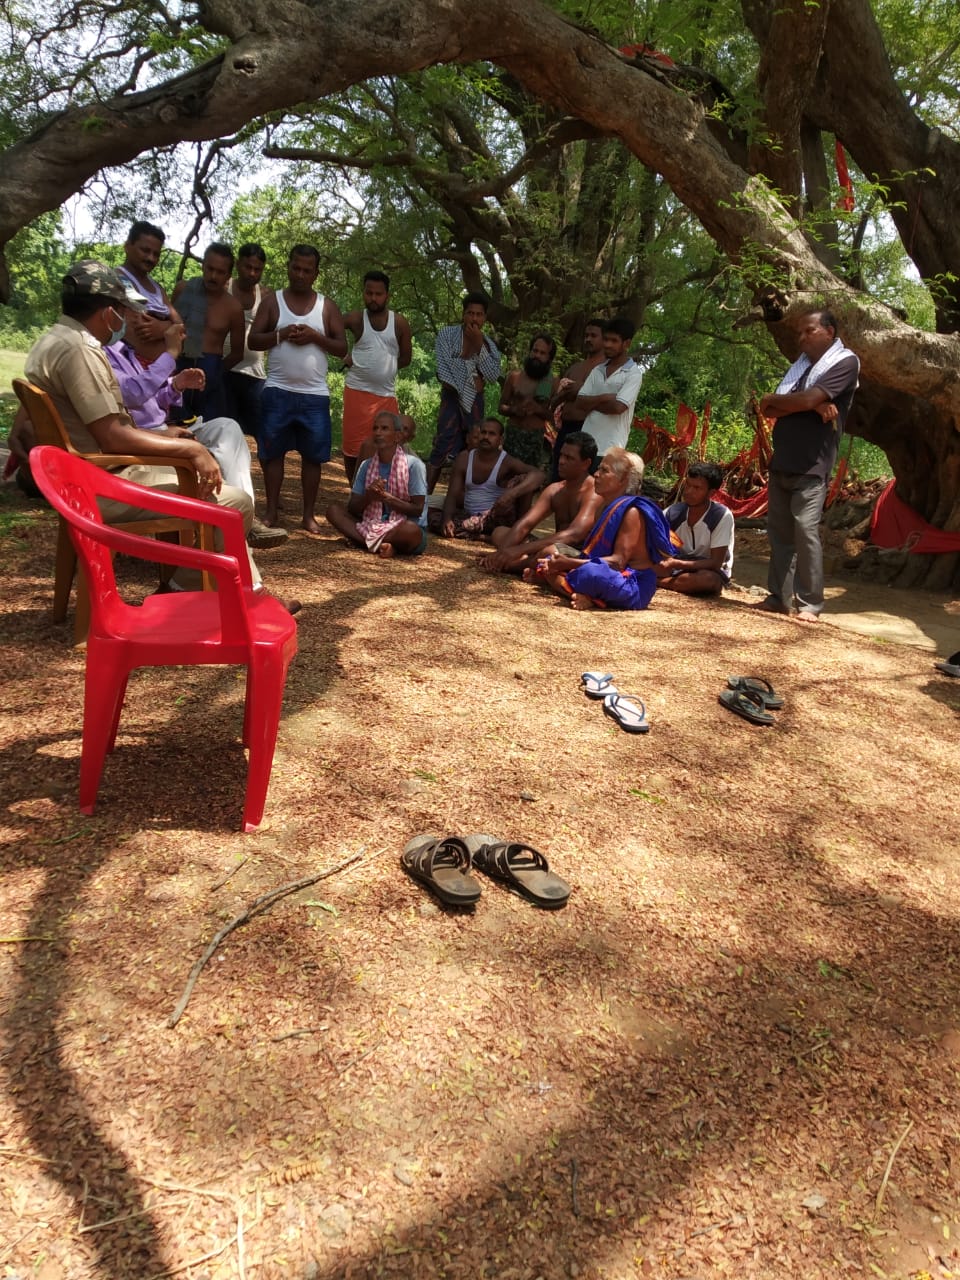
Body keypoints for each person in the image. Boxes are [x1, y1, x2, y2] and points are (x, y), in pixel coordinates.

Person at [23, 260, 296, 609]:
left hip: (82, 477)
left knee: (213, 477)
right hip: (102, 485)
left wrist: (169, 437)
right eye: (122, 310)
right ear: (109, 312)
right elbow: (112, 437)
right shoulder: (80, 350)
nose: (125, 319)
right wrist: (190, 452)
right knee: (234, 504)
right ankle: (188, 594)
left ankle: (214, 591)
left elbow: (104, 427)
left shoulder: (53, 341)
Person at [103, 310, 286, 549]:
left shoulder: (131, 355)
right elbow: (132, 394)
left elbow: (151, 400)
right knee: (204, 453)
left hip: (165, 430)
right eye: (137, 314)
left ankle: (245, 517)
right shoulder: (105, 356)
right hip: (145, 442)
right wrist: (170, 354)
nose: (142, 320)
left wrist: (175, 386)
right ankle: (233, 521)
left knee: (227, 428)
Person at [758, 308, 860, 621]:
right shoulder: (800, 367)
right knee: (779, 532)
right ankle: (778, 597)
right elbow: (768, 408)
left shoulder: (844, 362)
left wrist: (801, 402)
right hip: (783, 460)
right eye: (800, 333)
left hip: (813, 464)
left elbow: (787, 402)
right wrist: (811, 405)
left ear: (830, 331)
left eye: (809, 331)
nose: (801, 339)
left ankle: (810, 604)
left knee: (805, 531)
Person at [248, 244, 347, 534]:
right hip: (277, 389)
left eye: (307, 270)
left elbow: (342, 347)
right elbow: (254, 341)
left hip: (315, 394)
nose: (301, 274)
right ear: (288, 266)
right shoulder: (272, 302)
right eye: (296, 268)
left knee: (313, 456)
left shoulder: (326, 306)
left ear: (316, 273)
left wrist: (316, 336)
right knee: (272, 453)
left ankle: (308, 516)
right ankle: (271, 512)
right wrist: (281, 334)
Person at [532, 448, 673, 610]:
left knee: (590, 573)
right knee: (549, 553)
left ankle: (573, 590)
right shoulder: (604, 506)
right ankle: (575, 587)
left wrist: (569, 563)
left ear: (623, 479)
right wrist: (563, 561)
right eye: (599, 468)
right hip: (606, 570)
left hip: (631, 583)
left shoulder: (631, 512)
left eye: (604, 470)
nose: (596, 474)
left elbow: (618, 562)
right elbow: (593, 553)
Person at [478, 431, 602, 576]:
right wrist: (502, 553)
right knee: (500, 532)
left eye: (569, 458)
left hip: (578, 556)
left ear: (586, 463)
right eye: (561, 455)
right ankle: (517, 562)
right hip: (553, 547)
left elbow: (574, 534)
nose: (561, 461)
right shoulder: (555, 490)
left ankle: (513, 565)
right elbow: (525, 524)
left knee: (549, 552)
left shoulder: (594, 492)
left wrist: (516, 551)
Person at [341, 271, 413, 483]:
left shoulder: (399, 323)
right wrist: (344, 354)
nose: (373, 298)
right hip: (356, 392)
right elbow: (329, 329)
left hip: (385, 396)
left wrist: (386, 367)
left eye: (378, 294)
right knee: (352, 449)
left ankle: (382, 496)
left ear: (387, 296)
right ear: (363, 292)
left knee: (388, 447)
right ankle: (354, 494)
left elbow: (406, 358)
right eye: (369, 293)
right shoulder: (355, 318)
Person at [427, 291, 501, 492]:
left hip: (475, 402)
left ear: (484, 318)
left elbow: (493, 375)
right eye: (470, 313)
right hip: (450, 398)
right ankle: (422, 499)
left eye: (479, 314)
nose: (474, 318)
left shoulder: (488, 344)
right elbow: (442, 369)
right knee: (442, 445)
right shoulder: (447, 334)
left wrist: (478, 346)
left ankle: (464, 500)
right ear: (463, 314)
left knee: (474, 446)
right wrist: (470, 377)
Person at [326, 411, 428, 557]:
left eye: (384, 428)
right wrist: (369, 496)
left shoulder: (414, 465)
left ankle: (363, 541)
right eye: (375, 428)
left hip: (402, 528)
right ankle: (387, 546)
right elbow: (353, 507)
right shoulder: (366, 466)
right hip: (371, 524)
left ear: (397, 436)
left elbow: (417, 510)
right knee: (333, 511)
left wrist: (386, 498)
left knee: (411, 531)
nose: (378, 433)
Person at [433, 416, 544, 539]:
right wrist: (447, 519)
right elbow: (452, 495)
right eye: (483, 432)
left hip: (496, 517)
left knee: (524, 479)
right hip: (469, 516)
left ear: (500, 440)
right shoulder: (464, 458)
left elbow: (539, 475)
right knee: (434, 518)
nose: (486, 437)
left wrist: (511, 494)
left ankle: (518, 532)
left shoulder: (506, 461)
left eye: (492, 434)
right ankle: (484, 535)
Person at [170, 242, 245, 422]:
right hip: (179, 363)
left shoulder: (233, 308)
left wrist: (215, 371)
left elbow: (237, 353)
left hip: (211, 370)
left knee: (210, 428)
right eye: (210, 268)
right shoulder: (184, 290)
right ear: (203, 266)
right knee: (173, 423)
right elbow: (168, 326)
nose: (213, 276)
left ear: (228, 275)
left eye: (220, 272)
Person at [658, 461, 735, 595]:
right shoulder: (673, 512)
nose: (688, 491)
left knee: (708, 581)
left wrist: (676, 563)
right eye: (687, 485)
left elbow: (716, 563)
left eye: (697, 488)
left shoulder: (721, 516)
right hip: (677, 565)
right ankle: (677, 582)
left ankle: (659, 582)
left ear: (711, 493)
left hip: (708, 570)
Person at [574, 317, 644, 457]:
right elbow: (579, 403)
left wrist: (591, 403)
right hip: (585, 445)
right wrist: (604, 398)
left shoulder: (633, 373)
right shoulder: (597, 370)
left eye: (613, 341)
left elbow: (618, 408)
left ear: (627, 343)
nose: (607, 345)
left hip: (610, 449)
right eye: (606, 339)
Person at [548, 319, 605, 479]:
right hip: (566, 429)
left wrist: (581, 390)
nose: (588, 339)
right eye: (586, 335)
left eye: (594, 335)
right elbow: (553, 401)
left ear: (604, 339)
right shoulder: (575, 368)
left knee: (581, 481)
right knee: (558, 477)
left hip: (589, 430)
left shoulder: (606, 370)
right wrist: (565, 393)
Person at [116, 220, 180, 360]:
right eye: (145, 250)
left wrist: (161, 327)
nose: (151, 258)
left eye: (156, 254)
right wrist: (170, 329)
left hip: (162, 370)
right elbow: (136, 333)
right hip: (134, 370)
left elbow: (181, 328)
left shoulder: (157, 288)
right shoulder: (118, 281)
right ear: (127, 246)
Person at [225, 243, 269, 445]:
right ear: (237, 264)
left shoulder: (266, 295)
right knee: (224, 430)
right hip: (224, 370)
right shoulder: (225, 287)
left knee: (263, 433)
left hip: (254, 374)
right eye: (247, 267)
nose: (252, 273)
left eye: (257, 269)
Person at [498, 332, 559, 468]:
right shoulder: (514, 377)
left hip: (535, 439)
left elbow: (554, 417)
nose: (537, 355)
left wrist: (537, 409)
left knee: (528, 479)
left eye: (542, 353)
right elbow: (501, 407)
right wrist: (514, 410)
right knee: (505, 476)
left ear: (549, 358)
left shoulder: (554, 383)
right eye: (535, 351)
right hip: (513, 436)